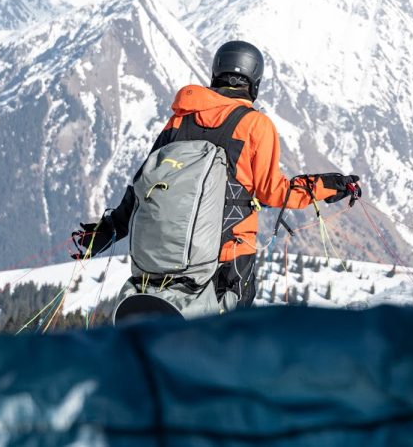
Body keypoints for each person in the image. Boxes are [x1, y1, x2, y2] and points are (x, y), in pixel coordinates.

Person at [72, 40, 360, 312]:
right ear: (254, 82)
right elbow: (274, 192)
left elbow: (144, 182)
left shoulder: (181, 118)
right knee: (227, 337)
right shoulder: (255, 125)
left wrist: (108, 231)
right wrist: (331, 186)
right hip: (229, 256)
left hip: (167, 255)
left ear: (214, 74)